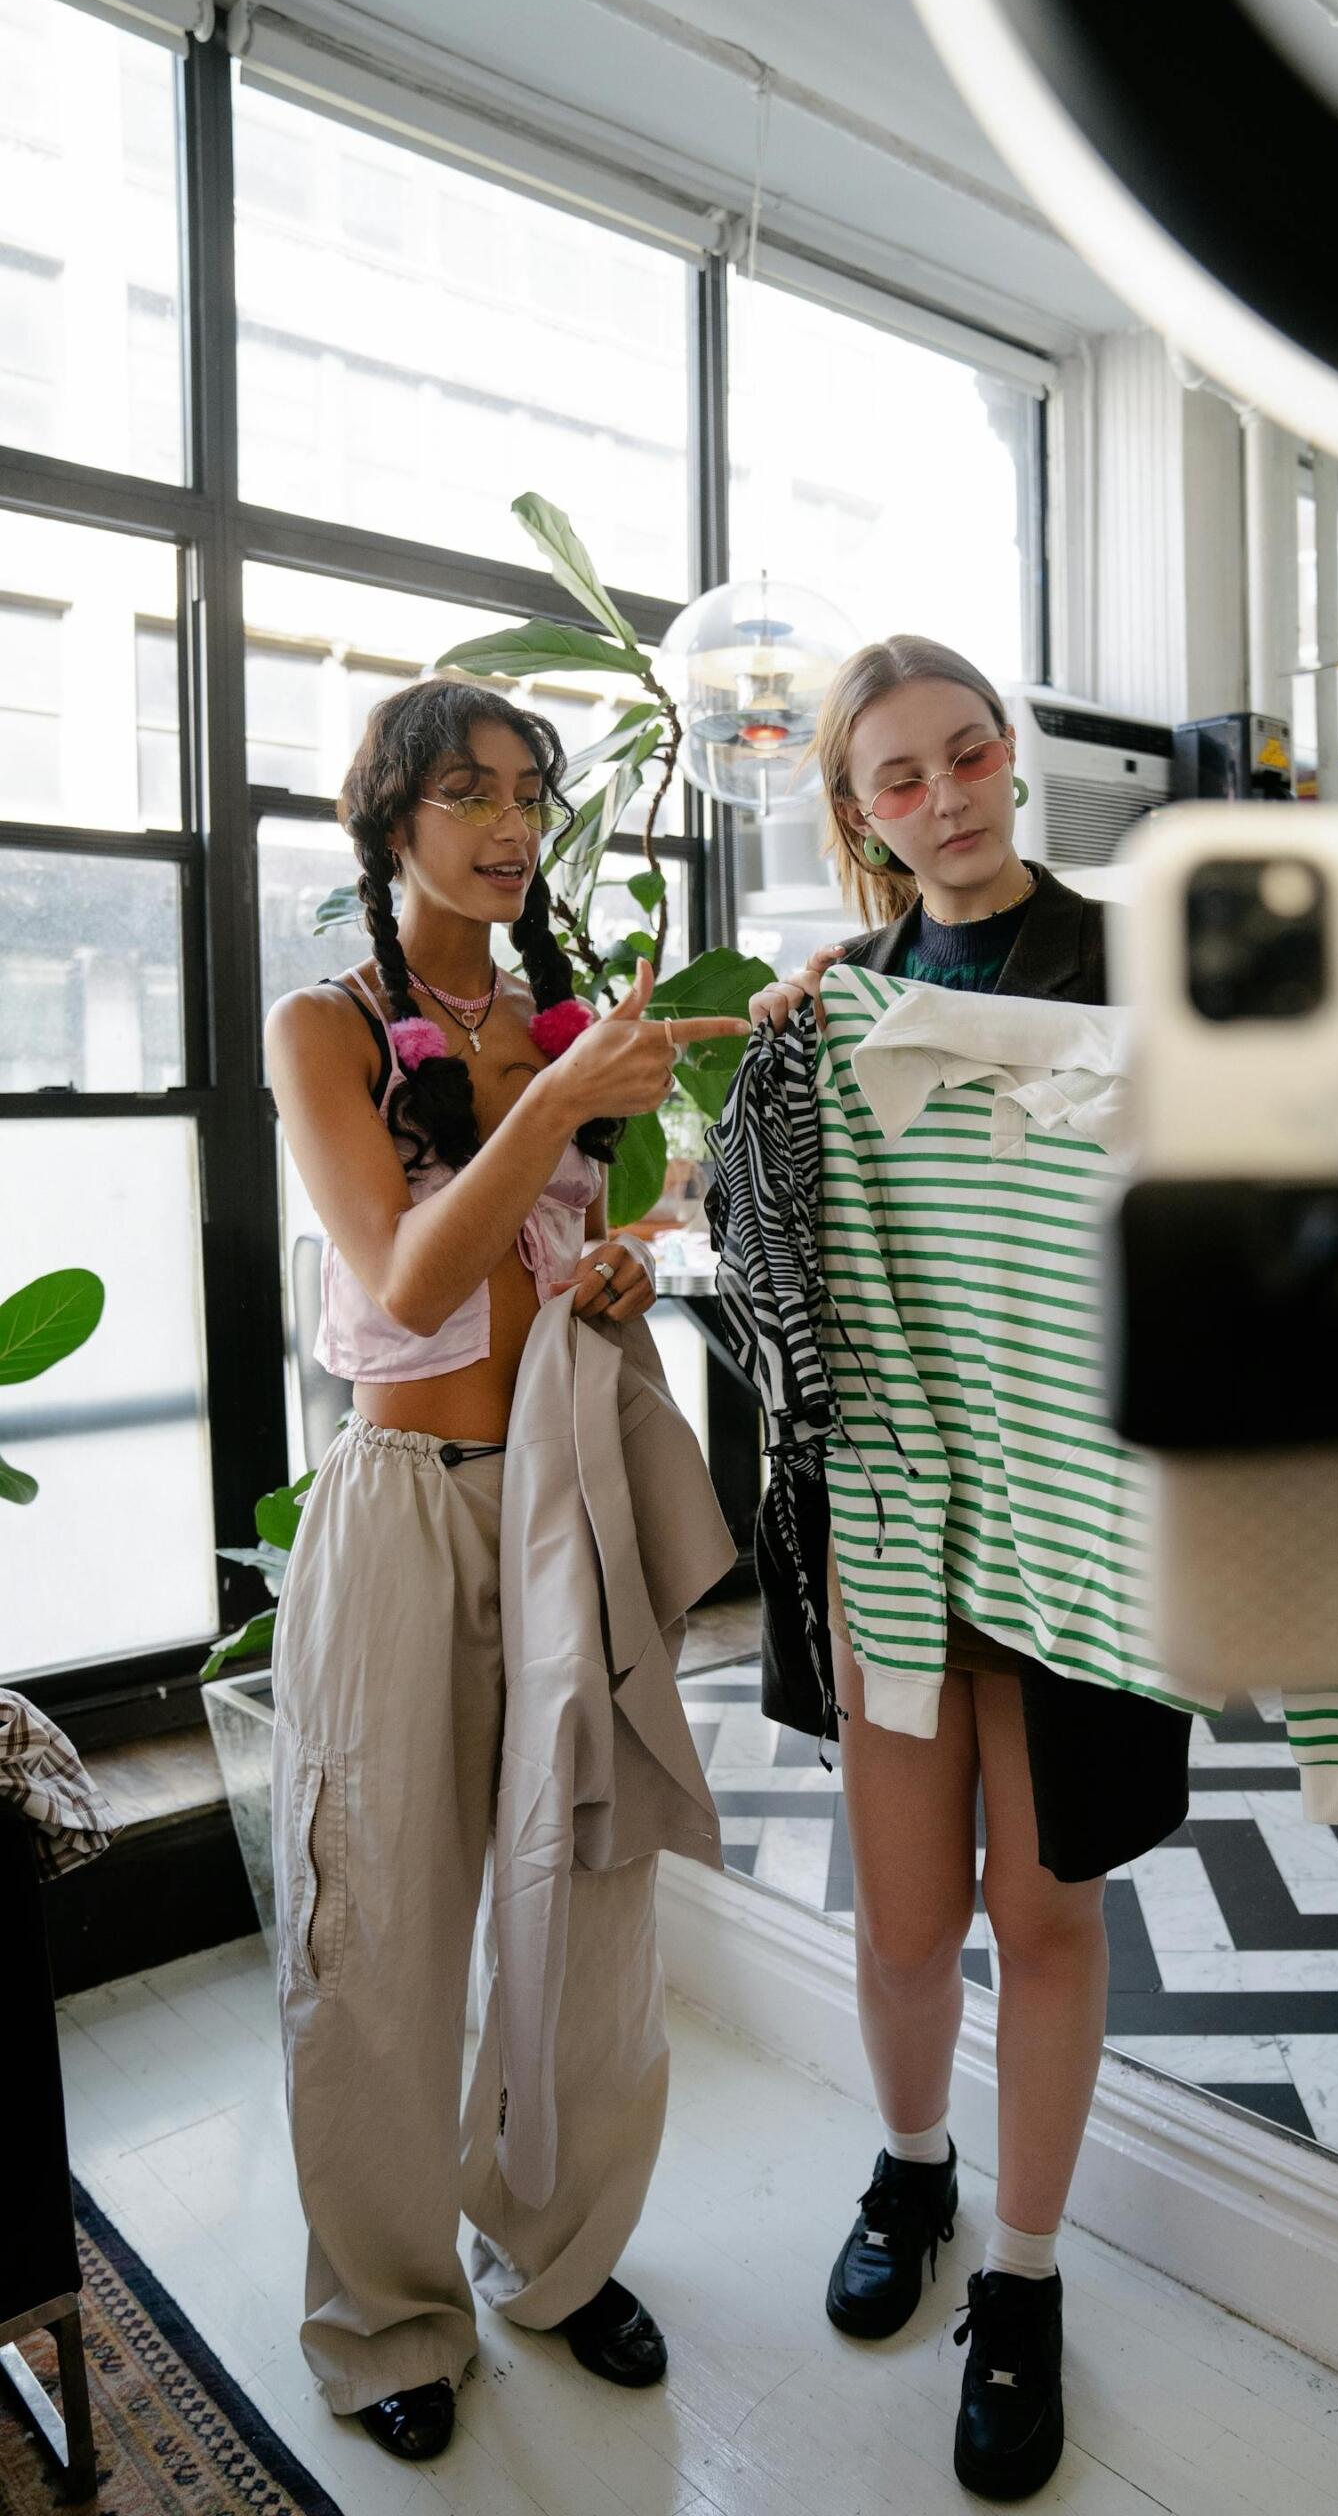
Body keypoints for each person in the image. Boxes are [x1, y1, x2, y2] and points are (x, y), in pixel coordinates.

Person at [265, 678, 745, 2462]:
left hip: (562, 1481)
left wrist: (613, 1262)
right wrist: (559, 1101)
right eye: (465, 791)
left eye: (528, 794)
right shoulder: (324, 1024)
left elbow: (564, 1245)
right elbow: (401, 1285)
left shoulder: (562, 1025)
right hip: (403, 1499)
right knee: (380, 1916)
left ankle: (559, 2248)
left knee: (590, 1884)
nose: (507, 822)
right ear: (388, 818)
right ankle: (389, 2311)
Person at [746, 635, 1191, 2503]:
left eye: (967, 754)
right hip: (901, 1517)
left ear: (1011, 760)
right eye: (900, 778)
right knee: (909, 1915)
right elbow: (761, 1256)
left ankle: (1021, 2275)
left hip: (1086, 1525)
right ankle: (912, 2164)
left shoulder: (1144, 971)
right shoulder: (833, 1004)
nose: (945, 796)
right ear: (859, 814)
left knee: (1052, 1909)